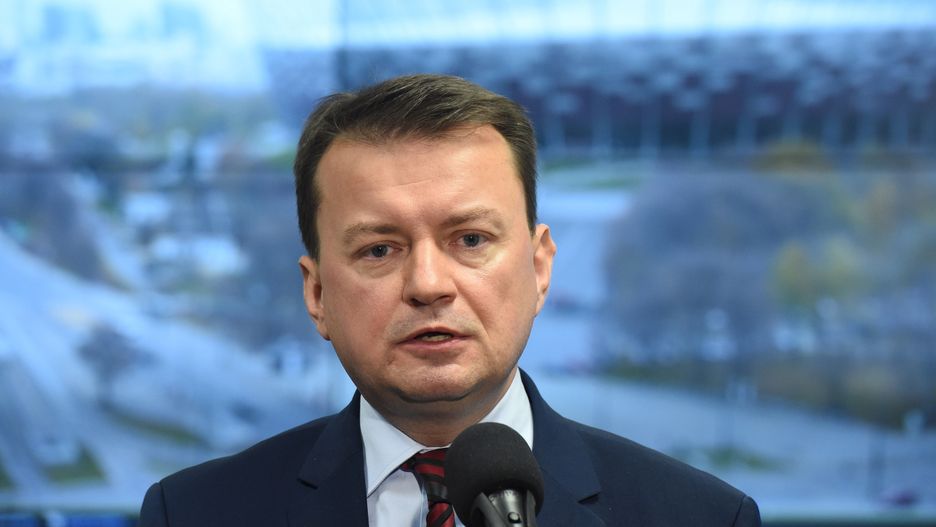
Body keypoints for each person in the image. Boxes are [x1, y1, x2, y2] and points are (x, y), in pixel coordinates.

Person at [138, 74, 761, 527]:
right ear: (318, 292)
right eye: (379, 249)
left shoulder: (702, 516)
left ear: (539, 266)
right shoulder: (192, 513)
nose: (429, 284)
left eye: (470, 239)